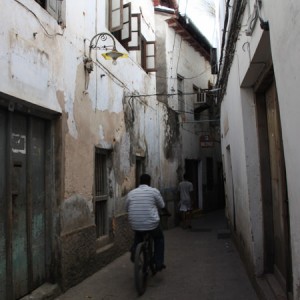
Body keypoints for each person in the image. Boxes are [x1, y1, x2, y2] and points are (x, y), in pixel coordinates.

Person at [126, 173, 166, 271]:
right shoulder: (154, 192)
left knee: (139, 234)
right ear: (149, 182)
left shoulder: (131, 193)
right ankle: (158, 263)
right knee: (159, 238)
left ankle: (135, 249)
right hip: (152, 225)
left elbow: (126, 208)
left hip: (135, 223)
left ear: (139, 182)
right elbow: (162, 206)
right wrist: (167, 213)